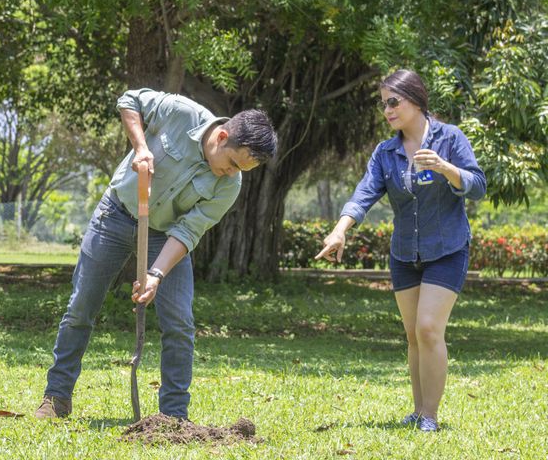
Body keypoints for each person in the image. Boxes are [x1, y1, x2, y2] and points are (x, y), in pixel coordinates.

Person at [35, 88, 278, 420]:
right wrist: (141, 148)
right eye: (232, 163)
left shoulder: (229, 186)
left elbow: (188, 231)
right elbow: (128, 99)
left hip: (165, 237)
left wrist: (156, 274)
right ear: (222, 137)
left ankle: (173, 416)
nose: (232, 173)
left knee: (179, 323)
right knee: (81, 307)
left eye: (241, 170)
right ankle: (57, 397)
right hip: (115, 216)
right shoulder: (182, 113)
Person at [316, 69, 486, 432]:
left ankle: (430, 416)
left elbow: (477, 185)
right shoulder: (386, 152)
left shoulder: (450, 138)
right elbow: (364, 193)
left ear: (416, 100)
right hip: (405, 254)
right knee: (412, 334)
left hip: (447, 249)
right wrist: (339, 230)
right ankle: (418, 408)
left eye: (394, 102)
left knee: (428, 329)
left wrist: (445, 169)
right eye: (383, 104)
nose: (387, 110)